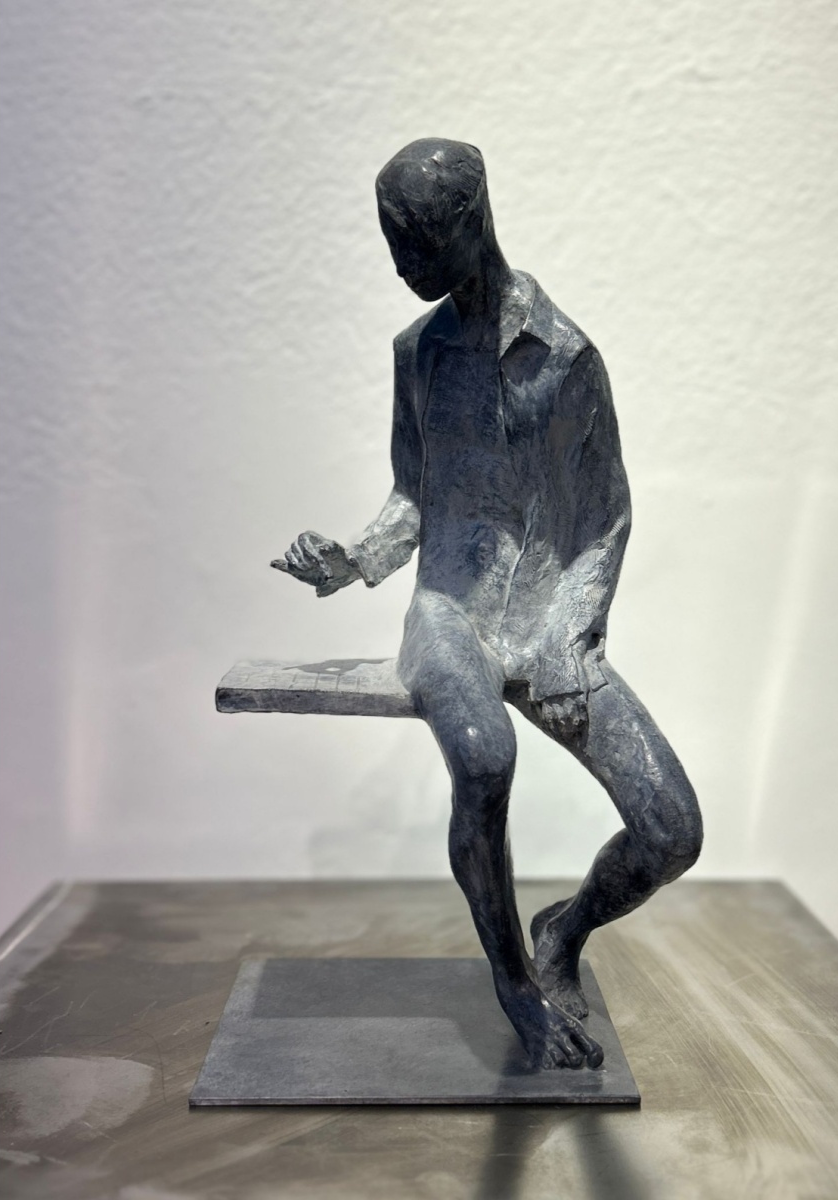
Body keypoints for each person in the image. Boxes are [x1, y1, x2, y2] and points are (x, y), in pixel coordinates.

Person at [273, 138, 702, 1070]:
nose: (400, 263)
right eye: (390, 239)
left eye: (415, 239)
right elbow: (414, 494)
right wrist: (353, 559)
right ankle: (516, 987)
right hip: (449, 613)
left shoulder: (566, 356)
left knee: (673, 831)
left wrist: (571, 631)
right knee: (482, 756)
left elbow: (606, 515)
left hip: (547, 621)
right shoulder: (418, 353)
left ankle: (562, 931)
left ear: (473, 221)